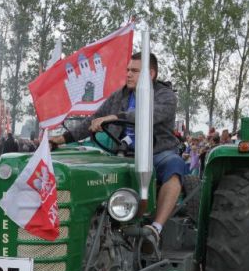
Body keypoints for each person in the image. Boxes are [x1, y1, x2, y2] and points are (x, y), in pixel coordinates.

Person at [50, 51, 184, 247]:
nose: (128, 74)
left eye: (135, 71)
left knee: (175, 165)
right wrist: (60, 139)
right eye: (128, 70)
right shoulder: (119, 96)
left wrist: (116, 117)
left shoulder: (165, 96)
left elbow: (149, 115)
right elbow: (92, 120)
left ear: (151, 74)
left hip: (155, 152)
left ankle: (154, 228)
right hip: (121, 154)